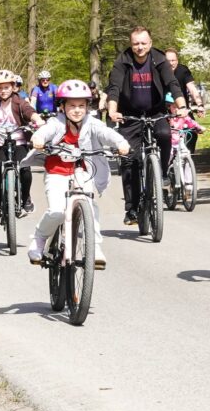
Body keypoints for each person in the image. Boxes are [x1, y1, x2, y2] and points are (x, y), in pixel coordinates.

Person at [22, 79, 130, 269]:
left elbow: (106, 133)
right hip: (57, 172)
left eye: (82, 105)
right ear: (62, 106)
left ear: (88, 106)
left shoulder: (92, 123)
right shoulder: (57, 122)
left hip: (83, 170)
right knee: (57, 211)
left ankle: (94, 247)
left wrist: (121, 143)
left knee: (90, 206)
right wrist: (38, 138)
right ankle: (39, 238)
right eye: (72, 105)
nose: (77, 110)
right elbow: (46, 131)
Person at [106, 26, 189, 226]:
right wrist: (112, 111)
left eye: (144, 43)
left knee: (164, 134)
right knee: (129, 160)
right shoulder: (123, 62)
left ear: (150, 43)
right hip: (130, 114)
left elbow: (172, 83)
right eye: (136, 44)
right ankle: (132, 208)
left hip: (155, 111)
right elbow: (114, 88)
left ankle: (162, 172)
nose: (140, 47)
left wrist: (182, 106)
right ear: (131, 44)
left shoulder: (159, 59)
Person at [0, 70, 45, 224]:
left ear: (13, 87)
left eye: (6, 87)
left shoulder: (19, 100)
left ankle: (25, 198)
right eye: (0, 88)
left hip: (19, 141)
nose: (3, 91)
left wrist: (37, 120)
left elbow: (29, 111)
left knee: (25, 170)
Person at [166, 48, 205, 152]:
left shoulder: (183, 70)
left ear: (177, 60)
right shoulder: (159, 72)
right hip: (165, 112)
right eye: (167, 61)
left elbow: (192, 88)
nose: (170, 63)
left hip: (183, 110)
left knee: (191, 133)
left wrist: (200, 104)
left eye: (173, 60)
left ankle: (188, 159)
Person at [166, 93, 206, 164]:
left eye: (179, 107)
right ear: (169, 107)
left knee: (186, 154)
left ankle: (188, 174)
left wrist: (198, 128)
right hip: (169, 143)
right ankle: (165, 172)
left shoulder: (184, 117)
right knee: (168, 157)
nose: (177, 109)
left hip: (180, 141)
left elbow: (191, 122)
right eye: (174, 107)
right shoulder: (167, 118)